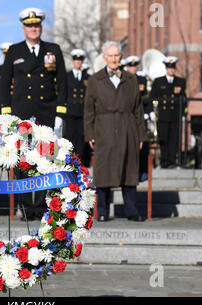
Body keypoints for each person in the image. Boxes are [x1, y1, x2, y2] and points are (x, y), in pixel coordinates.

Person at [0, 7, 67, 220]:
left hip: (46, 113)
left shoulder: (53, 49)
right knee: (23, 162)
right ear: (23, 29)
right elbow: (4, 85)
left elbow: (62, 83)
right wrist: (6, 116)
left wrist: (60, 113)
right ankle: (27, 207)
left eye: (36, 25)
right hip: (21, 114)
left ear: (40, 27)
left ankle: (43, 205)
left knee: (45, 160)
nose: (33, 29)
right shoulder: (14, 51)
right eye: (29, 26)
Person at [84, 41, 147, 222]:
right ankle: (102, 211)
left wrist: (141, 135)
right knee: (103, 171)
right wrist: (90, 134)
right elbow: (89, 110)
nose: (114, 59)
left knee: (129, 169)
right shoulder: (95, 80)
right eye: (110, 55)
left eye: (117, 55)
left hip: (128, 128)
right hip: (104, 128)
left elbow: (138, 110)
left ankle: (132, 210)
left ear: (121, 57)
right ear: (104, 58)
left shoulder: (131, 79)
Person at [150, 56, 187, 168]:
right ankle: (165, 162)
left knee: (174, 139)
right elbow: (152, 97)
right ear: (166, 68)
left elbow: (184, 99)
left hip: (175, 116)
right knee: (164, 139)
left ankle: (172, 162)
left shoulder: (180, 81)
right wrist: (151, 111)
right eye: (169, 68)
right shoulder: (158, 81)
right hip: (163, 116)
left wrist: (184, 114)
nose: (171, 70)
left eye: (173, 68)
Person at [124, 55, 150, 181]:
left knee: (142, 143)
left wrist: (147, 111)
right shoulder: (123, 79)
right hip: (127, 116)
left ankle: (142, 172)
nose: (133, 68)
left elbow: (145, 97)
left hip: (140, 115)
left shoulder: (141, 79)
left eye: (135, 66)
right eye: (131, 66)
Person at [64, 49, 91, 167]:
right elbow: (63, 94)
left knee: (81, 139)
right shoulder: (67, 76)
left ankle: (80, 164)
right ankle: (69, 164)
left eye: (80, 60)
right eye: (76, 60)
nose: (78, 62)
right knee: (70, 138)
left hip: (82, 112)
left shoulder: (87, 77)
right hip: (70, 112)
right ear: (73, 61)